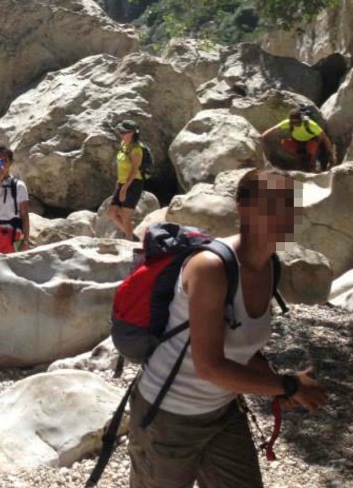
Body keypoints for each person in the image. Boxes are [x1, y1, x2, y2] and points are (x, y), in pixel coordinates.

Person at [127, 168, 328, 487]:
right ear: (244, 209)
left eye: (291, 206)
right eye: (273, 205)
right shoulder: (211, 268)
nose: (285, 216)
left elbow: (240, 347)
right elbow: (210, 366)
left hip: (221, 412)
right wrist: (286, 385)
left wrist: (276, 382)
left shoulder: (270, 266)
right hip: (168, 417)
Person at [0, 146, 30, 253]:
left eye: (5, 161)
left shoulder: (19, 186)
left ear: (10, 163)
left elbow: (24, 216)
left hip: (14, 234)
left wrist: (25, 241)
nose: (2, 164)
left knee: (15, 268)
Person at [261, 107, 337, 172]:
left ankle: (312, 167)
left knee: (311, 155)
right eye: (293, 122)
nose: (295, 124)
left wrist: (330, 153)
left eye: (297, 122)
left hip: (311, 141)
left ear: (301, 120)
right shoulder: (288, 123)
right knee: (285, 144)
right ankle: (300, 160)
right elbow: (273, 130)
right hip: (297, 142)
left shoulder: (311, 125)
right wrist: (260, 138)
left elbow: (324, 138)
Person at [107, 119, 145, 241]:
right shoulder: (123, 145)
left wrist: (124, 189)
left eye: (124, 132)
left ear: (133, 133)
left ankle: (129, 241)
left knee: (125, 215)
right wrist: (119, 184)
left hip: (134, 183)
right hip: (122, 182)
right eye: (120, 131)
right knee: (111, 213)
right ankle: (131, 236)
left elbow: (134, 171)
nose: (121, 134)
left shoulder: (137, 149)